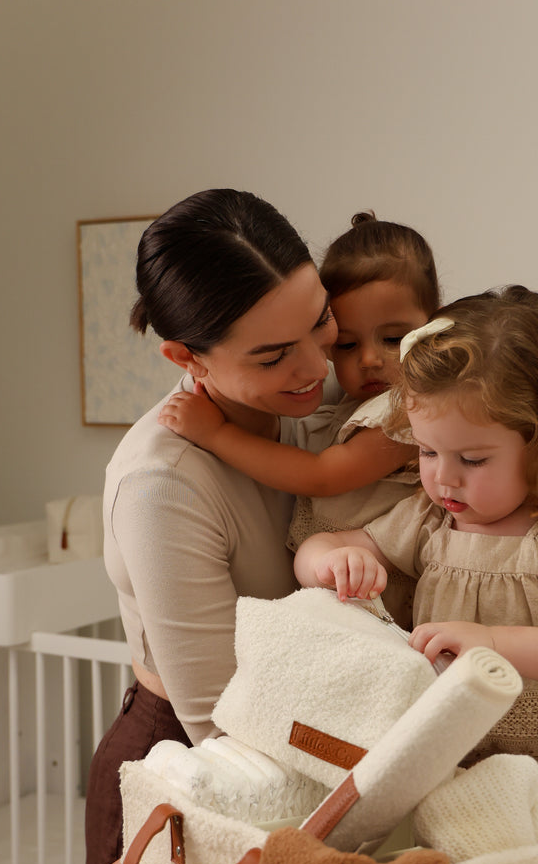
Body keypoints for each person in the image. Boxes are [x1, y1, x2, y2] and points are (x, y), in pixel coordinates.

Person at [293, 286, 538, 819]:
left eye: (473, 459)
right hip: (451, 748)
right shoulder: (431, 519)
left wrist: (494, 642)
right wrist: (331, 560)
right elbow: (324, 548)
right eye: (428, 450)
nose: (442, 476)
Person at [84, 188, 336, 864]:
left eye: (321, 322)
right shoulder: (161, 487)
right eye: (273, 356)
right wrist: (366, 776)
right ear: (185, 357)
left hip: (305, 732)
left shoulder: (327, 401)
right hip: (194, 759)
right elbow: (220, 725)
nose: (316, 366)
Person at [158, 211, 440, 625]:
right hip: (345, 576)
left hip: (388, 580)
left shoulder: (416, 410)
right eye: (344, 344)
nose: (368, 359)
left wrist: (216, 433)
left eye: (394, 339)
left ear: (435, 326)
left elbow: (322, 476)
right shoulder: (347, 401)